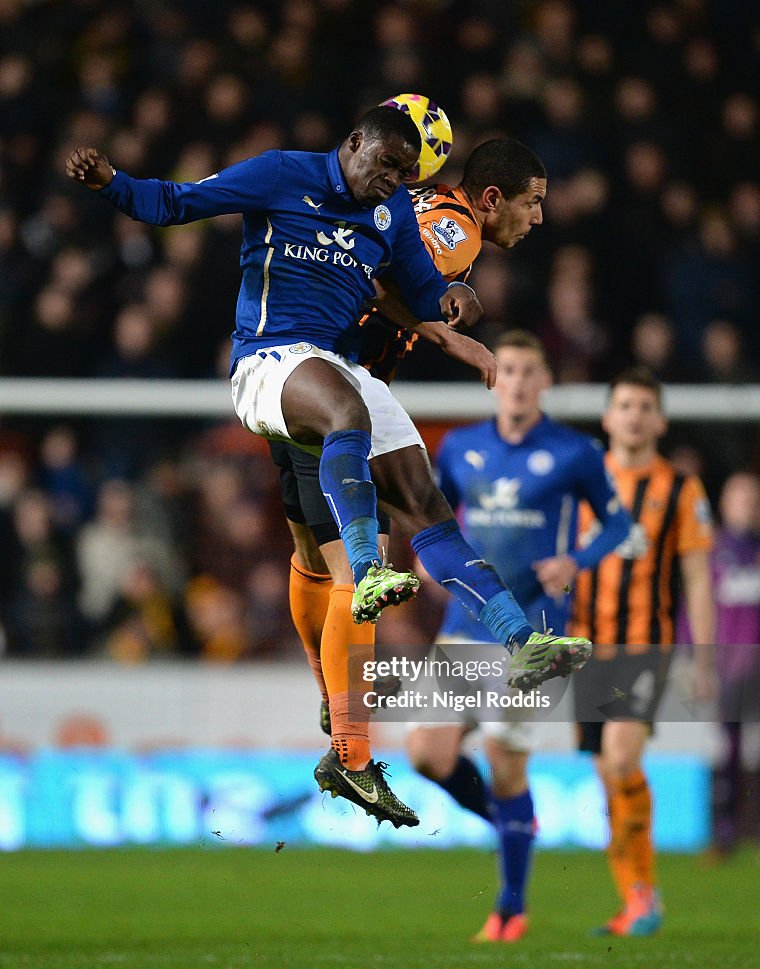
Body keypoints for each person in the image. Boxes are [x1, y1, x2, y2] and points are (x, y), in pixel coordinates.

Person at [66, 113, 590, 829]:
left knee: (412, 511)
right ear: (353, 144)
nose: (395, 184)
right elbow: (177, 203)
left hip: (339, 376)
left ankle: (517, 644)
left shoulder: (394, 209)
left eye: (407, 174)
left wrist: (449, 308)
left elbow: (404, 285)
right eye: (388, 167)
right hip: (275, 362)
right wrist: (111, 184)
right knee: (346, 539)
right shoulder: (286, 173)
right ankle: (352, 706)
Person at [405, 330, 631, 942]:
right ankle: (512, 824)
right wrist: (425, 561)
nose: (519, 381)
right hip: (464, 626)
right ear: (493, 377)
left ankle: (510, 907)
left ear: (547, 382)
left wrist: (576, 563)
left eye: (531, 371)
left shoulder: (574, 452)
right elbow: (433, 515)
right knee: (427, 753)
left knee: (507, 764)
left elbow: (618, 525)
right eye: (508, 369)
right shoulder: (459, 446)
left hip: (535, 634)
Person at [572, 366, 715, 936]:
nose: (633, 416)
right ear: (608, 417)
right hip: (583, 646)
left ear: (659, 419)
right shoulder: (580, 480)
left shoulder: (681, 489)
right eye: (624, 406)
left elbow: (699, 579)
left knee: (623, 758)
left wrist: (703, 660)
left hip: (643, 647)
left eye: (643, 406)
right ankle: (635, 897)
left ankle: (644, 897)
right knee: (609, 773)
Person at [709, 472, 760, 856]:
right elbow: (697, 611)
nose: (746, 506)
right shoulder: (713, 551)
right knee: (729, 749)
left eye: (752, 499)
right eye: (740, 498)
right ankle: (725, 832)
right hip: (729, 666)